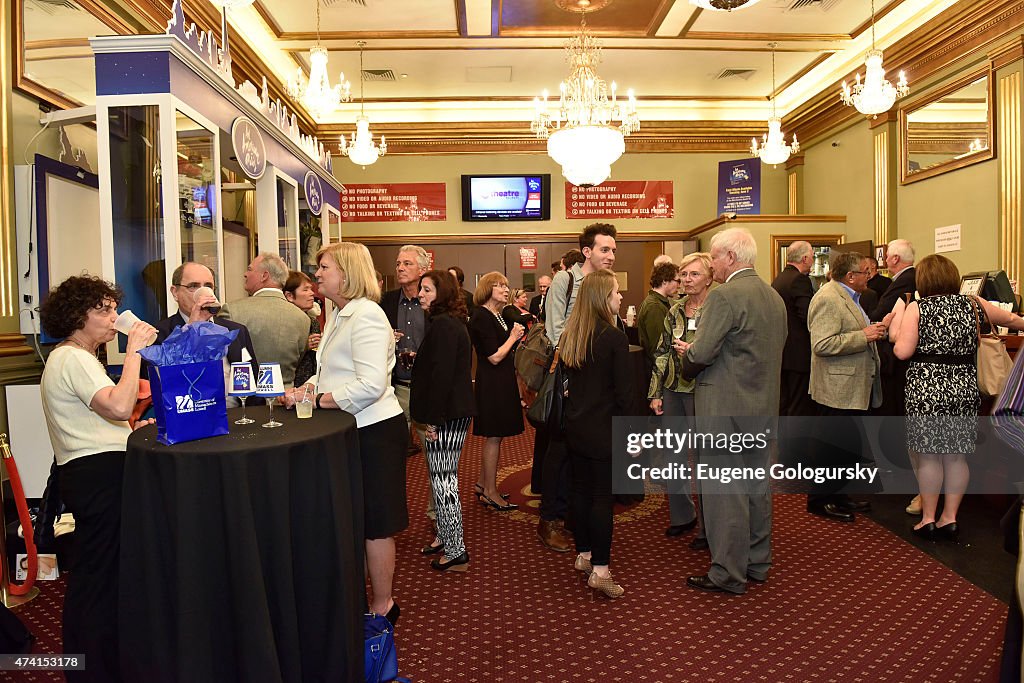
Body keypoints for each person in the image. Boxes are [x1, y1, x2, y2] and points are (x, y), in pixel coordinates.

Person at [38, 275, 157, 682]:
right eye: (102, 310)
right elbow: (120, 406)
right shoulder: (72, 357)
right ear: (77, 316)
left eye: (112, 308)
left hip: (96, 471)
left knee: (103, 572)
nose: (113, 318)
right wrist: (135, 350)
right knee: (98, 576)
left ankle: (99, 664)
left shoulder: (75, 358)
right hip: (98, 476)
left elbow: (110, 418)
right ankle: (90, 669)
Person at [282, 242, 408, 624]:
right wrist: (304, 391)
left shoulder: (366, 314)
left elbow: (370, 385)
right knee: (357, 518)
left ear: (347, 272)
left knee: (376, 523)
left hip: (375, 432)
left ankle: (384, 606)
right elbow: (334, 371)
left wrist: (318, 400)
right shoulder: (338, 313)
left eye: (324, 267)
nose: (316, 274)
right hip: (351, 429)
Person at [681, 228, 786, 595]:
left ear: (730, 257)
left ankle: (727, 571)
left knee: (725, 494)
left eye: (713, 256)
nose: (711, 263)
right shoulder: (774, 297)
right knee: (757, 489)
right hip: (762, 409)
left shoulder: (724, 296)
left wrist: (687, 356)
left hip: (724, 411)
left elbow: (701, 353)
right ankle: (757, 562)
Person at [891, 254, 1024, 541]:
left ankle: (928, 518)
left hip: (926, 390)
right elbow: (1012, 319)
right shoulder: (974, 304)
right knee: (955, 457)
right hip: (963, 388)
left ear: (923, 281)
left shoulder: (917, 308)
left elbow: (902, 351)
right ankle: (949, 518)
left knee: (929, 458)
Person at [538, 223, 618, 552]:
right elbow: (556, 333)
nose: (611, 255)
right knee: (558, 452)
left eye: (613, 250)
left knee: (584, 454)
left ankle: (575, 516)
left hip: (595, 385)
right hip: (568, 379)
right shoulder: (565, 280)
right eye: (604, 250)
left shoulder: (606, 284)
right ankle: (549, 520)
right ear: (587, 252)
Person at [559, 269, 634, 599]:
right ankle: (600, 571)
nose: (620, 297)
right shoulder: (614, 337)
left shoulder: (573, 335)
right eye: (616, 292)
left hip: (576, 427)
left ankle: (585, 554)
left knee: (581, 491)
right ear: (604, 298)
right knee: (602, 498)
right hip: (605, 430)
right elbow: (625, 395)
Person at [807, 251, 886, 523]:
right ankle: (820, 500)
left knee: (847, 446)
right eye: (865, 271)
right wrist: (864, 336)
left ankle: (839, 495)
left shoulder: (850, 297)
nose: (870, 275)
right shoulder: (829, 298)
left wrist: (872, 330)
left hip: (852, 386)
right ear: (850, 276)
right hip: (837, 387)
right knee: (831, 447)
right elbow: (822, 344)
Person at [410, 270, 476, 571]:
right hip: (450, 413)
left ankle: (455, 549)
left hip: (446, 417)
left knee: (444, 481)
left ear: (443, 293)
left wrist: (433, 421)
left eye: (427, 290)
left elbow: (442, 378)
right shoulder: (447, 324)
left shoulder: (445, 326)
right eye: (421, 289)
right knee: (441, 481)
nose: (420, 294)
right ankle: (445, 537)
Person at [649, 253, 712, 541]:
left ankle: (709, 527)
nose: (686, 280)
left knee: (705, 460)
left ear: (710, 277)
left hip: (705, 392)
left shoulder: (718, 308)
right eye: (683, 275)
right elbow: (661, 352)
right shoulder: (674, 310)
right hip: (674, 391)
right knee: (672, 456)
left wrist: (695, 352)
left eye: (694, 274)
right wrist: (656, 392)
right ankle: (682, 515)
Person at [152, 261, 260, 405]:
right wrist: (192, 327)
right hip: (190, 420)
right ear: (175, 292)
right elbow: (166, 385)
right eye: (193, 286)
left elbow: (254, 384)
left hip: (237, 418)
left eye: (208, 286)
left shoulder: (236, 331)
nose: (202, 292)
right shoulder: (159, 334)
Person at [468, 271, 525, 511]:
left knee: (498, 435)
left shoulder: (497, 314)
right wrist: (513, 337)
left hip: (501, 380)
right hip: (492, 382)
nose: (505, 289)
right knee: (494, 435)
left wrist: (514, 339)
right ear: (487, 288)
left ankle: (483, 484)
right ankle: (490, 492)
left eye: (507, 285)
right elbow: (494, 356)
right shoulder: (481, 315)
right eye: (500, 285)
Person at [219, 252, 310, 388]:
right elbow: (300, 357)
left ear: (264, 276)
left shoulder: (232, 311)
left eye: (249, 269)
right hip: (285, 399)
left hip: (246, 399)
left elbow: (223, 358)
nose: (245, 274)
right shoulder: (302, 318)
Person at [380, 245, 429, 456]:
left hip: (427, 387)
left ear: (422, 270)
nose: (400, 268)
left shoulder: (432, 303)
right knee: (394, 453)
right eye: (398, 263)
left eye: (407, 263)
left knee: (434, 455)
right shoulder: (385, 302)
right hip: (395, 388)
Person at [771, 241, 816, 418]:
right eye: (812, 256)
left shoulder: (779, 278)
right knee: (798, 407)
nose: (812, 260)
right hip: (799, 354)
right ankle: (795, 444)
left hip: (783, 351)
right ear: (804, 258)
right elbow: (808, 316)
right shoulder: (799, 280)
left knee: (785, 403)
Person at [637, 261, 681, 378]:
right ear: (665, 280)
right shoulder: (655, 307)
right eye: (677, 281)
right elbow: (659, 346)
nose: (679, 285)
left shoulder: (658, 303)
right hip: (657, 372)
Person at [284, 270, 322, 387]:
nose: (312, 293)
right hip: (292, 384)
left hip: (313, 383)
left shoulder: (314, 322)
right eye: (305, 290)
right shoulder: (286, 322)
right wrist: (304, 346)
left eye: (311, 289)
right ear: (289, 296)